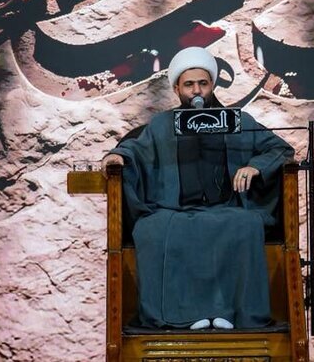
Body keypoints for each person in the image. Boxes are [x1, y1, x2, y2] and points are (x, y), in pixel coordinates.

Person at [102, 46, 293, 331]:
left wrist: (255, 166)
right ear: (177, 88)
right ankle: (184, 316)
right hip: (173, 210)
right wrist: (118, 157)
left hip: (227, 208)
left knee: (246, 224)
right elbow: (135, 150)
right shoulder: (161, 124)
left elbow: (280, 149)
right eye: (189, 84)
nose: (196, 91)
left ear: (212, 84)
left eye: (202, 83)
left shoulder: (237, 121)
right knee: (152, 229)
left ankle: (231, 315)